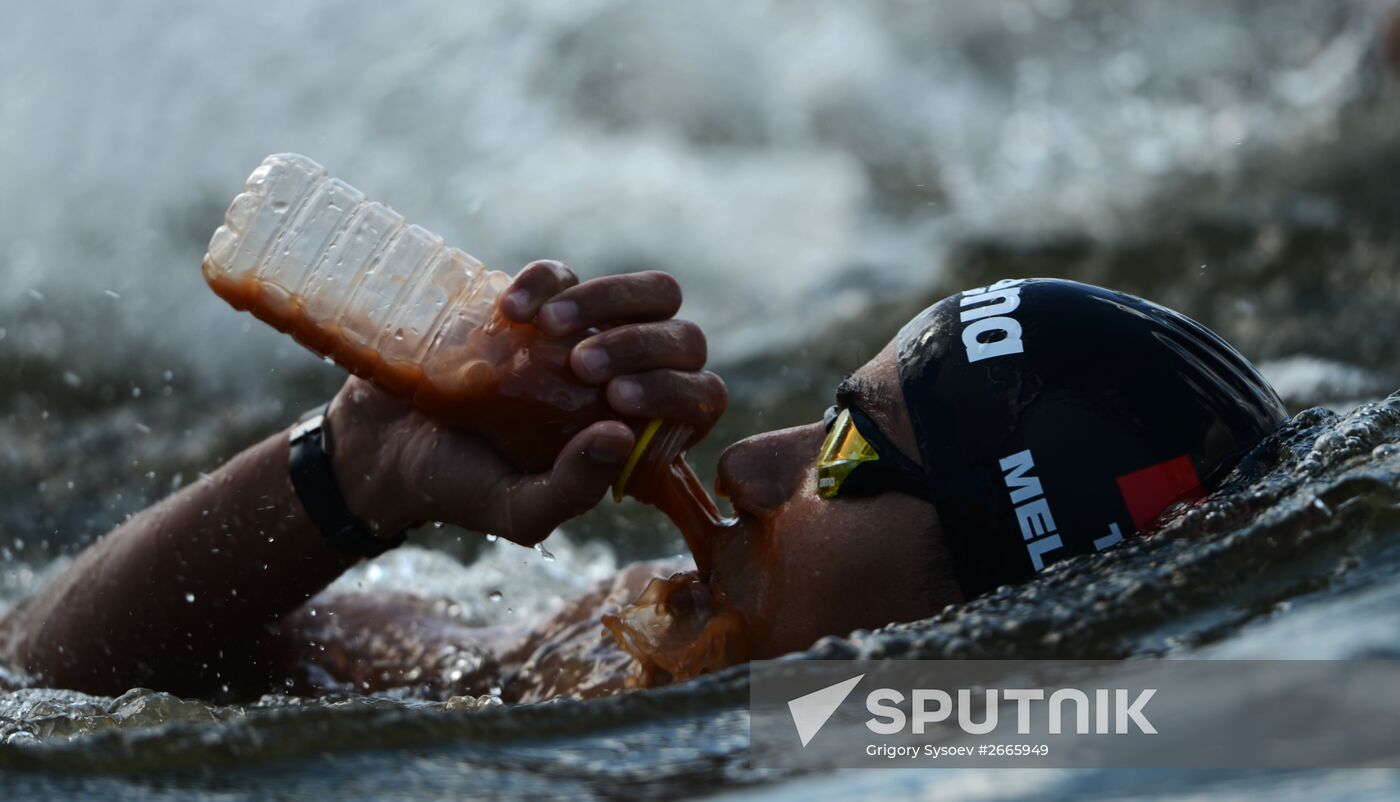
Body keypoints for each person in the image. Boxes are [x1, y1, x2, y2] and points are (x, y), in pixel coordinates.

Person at [0, 267, 1288, 703]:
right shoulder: (625, 655)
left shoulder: (803, 744)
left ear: (1001, 614)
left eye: (849, 449)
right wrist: (351, 470)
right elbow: (39, 674)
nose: (752, 458)